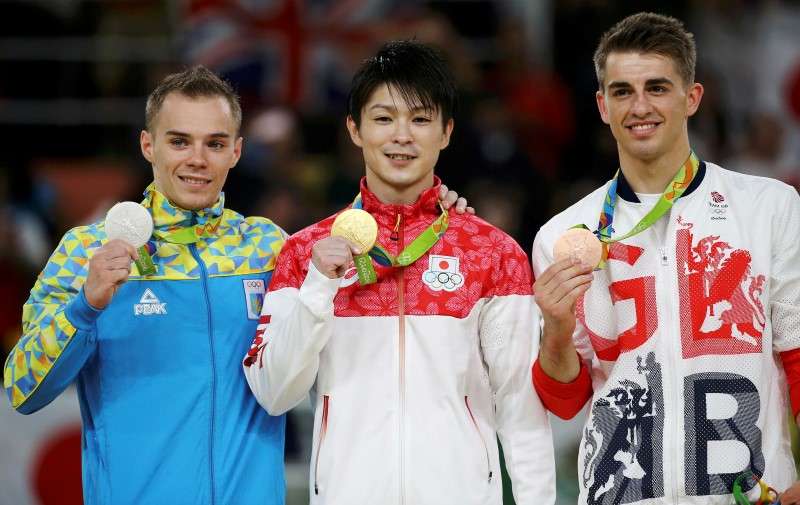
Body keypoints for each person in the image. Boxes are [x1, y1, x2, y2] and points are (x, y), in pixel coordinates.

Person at [2, 65, 469, 505]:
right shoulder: (90, 250)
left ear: (236, 151)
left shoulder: (267, 248)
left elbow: (365, 249)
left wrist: (429, 205)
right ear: (149, 145)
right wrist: (85, 306)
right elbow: (23, 388)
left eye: (215, 143)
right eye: (180, 141)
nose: (198, 160)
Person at [243, 40, 555, 505]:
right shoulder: (305, 252)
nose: (402, 136)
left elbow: (521, 408)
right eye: (384, 118)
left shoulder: (494, 254)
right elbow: (273, 392)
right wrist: (318, 287)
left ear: (446, 132)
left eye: (421, 119)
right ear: (355, 129)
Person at [530, 12, 800, 505]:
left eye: (657, 87)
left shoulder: (770, 208)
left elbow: (798, 355)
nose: (639, 107)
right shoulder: (563, 234)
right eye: (621, 91)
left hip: (750, 496)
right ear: (602, 106)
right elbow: (563, 400)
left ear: (691, 97)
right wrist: (554, 326)